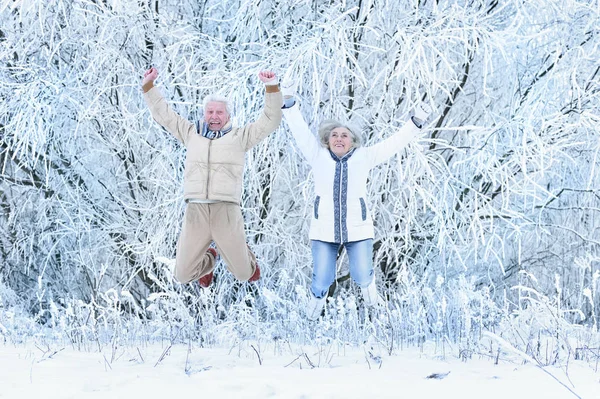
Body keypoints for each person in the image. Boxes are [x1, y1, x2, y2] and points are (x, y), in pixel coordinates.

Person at [281, 82, 431, 320]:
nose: (339, 139)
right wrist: (288, 102)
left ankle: (378, 314)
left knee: (362, 275)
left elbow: (394, 143)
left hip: (358, 230)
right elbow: (299, 130)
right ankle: (310, 319)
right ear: (327, 140)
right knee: (322, 279)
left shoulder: (365, 157)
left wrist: (415, 122)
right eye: (334, 135)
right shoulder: (317, 155)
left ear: (352, 141)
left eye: (344, 135)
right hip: (323, 231)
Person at [141, 67, 282, 288]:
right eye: (210, 112)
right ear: (204, 114)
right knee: (182, 275)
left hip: (225, 210)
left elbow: (270, 121)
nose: (214, 117)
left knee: (245, 274)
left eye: (219, 113)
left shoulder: (240, 137)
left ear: (228, 116)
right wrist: (149, 86)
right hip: (196, 210)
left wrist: (271, 87)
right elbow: (164, 114)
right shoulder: (190, 133)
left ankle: (246, 257)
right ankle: (210, 257)